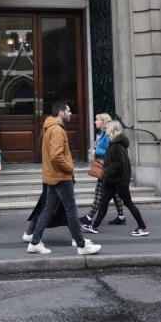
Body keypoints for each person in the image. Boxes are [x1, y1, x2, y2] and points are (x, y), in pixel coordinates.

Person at [26, 100, 101, 255]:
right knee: (71, 210)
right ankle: (82, 245)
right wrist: (70, 168)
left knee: (48, 210)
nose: (70, 113)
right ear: (61, 113)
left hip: (52, 176)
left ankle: (34, 242)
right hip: (61, 177)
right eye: (68, 111)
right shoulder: (58, 130)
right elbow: (56, 156)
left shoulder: (49, 128)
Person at [82, 119, 150, 237]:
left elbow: (119, 164)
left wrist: (106, 171)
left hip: (119, 181)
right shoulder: (113, 143)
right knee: (103, 202)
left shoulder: (117, 145)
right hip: (112, 180)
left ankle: (143, 227)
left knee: (128, 203)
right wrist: (105, 165)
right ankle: (95, 226)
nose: (106, 131)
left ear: (113, 130)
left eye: (108, 129)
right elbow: (115, 162)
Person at [80, 113, 126, 231]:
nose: (95, 122)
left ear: (104, 122)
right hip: (105, 166)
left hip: (106, 167)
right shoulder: (101, 134)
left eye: (97, 120)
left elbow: (109, 151)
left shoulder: (107, 135)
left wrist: (96, 151)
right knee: (115, 194)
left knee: (99, 192)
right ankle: (121, 217)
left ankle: (90, 217)